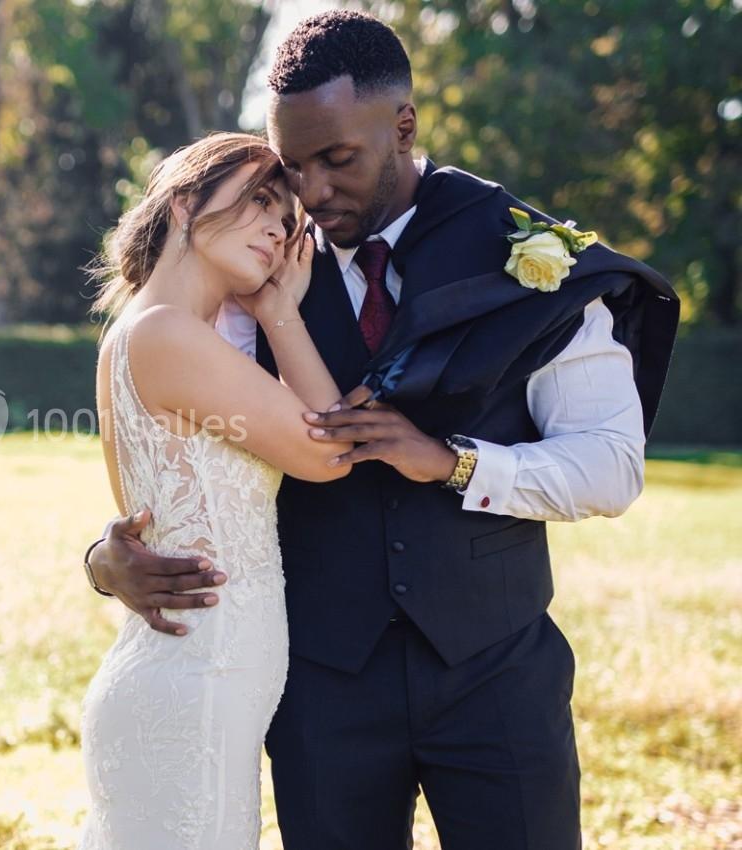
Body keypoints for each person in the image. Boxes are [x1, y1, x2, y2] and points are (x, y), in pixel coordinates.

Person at [82, 11, 679, 849]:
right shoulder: (254, 275)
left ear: (403, 125)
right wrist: (106, 562)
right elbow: (176, 446)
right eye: (293, 168)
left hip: (495, 677)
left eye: (339, 160)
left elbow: (611, 467)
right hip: (320, 692)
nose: (313, 195)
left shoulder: (528, 255)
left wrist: (453, 462)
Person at [76, 131, 354, 850]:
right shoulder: (167, 333)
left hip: (191, 682)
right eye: (261, 200)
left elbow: (143, 519)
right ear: (182, 203)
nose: (277, 227)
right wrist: (280, 313)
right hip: (192, 687)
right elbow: (329, 451)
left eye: (287, 220)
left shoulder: (135, 334)